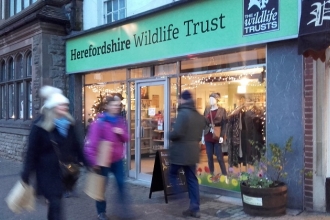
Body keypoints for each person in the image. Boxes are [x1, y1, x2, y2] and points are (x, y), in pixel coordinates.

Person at [21, 85, 88, 220]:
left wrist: (87, 163)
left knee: (55, 203)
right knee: (56, 203)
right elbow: (31, 152)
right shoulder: (39, 126)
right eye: (60, 105)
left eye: (65, 105)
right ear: (52, 107)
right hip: (46, 173)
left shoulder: (69, 124)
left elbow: (77, 146)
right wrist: (26, 173)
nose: (64, 108)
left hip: (64, 171)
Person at [84, 95, 131, 220]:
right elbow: (92, 142)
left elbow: (127, 138)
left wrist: (121, 134)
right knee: (101, 186)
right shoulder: (99, 122)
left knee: (121, 183)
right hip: (103, 161)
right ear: (107, 106)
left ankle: (124, 209)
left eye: (118, 105)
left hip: (117, 159)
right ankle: (101, 212)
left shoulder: (120, 121)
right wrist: (93, 161)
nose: (116, 107)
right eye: (114, 105)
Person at [168, 90, 206, 218]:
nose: (178, 101)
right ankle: (194, 207)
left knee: (172, 174)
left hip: (180, 152)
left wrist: (169, 134)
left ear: (182, 100)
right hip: (193, 152)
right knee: (192, 179)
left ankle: (181, 199)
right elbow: (202, 130)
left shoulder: (183, 113)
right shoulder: (198, 115)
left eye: (179, 99)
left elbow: (177, 133)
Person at [202, 93, 228, 181]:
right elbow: (204, 123)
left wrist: (222, 136)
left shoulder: (222, 110)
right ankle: (211, 175)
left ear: (217, 100)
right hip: (208, 134)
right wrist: (202, 136)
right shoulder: (207, 109)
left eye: (212, 99)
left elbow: (224, 124)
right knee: (209, 156)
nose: (211, 101)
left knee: (219, 156)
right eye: (210, 99)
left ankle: (225, 175)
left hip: (217, 135)